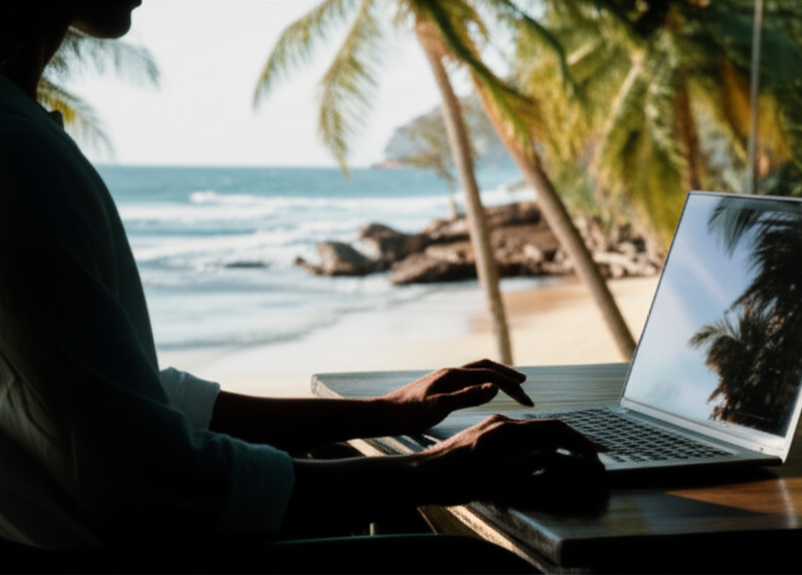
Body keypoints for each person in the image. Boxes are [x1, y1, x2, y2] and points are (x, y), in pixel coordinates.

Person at [0, 0, 602, 553]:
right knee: (477, 557)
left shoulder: (25, 136)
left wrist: (384, 412)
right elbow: (151, 481)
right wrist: (435, 470)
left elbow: (141, 400)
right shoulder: (21, 159)